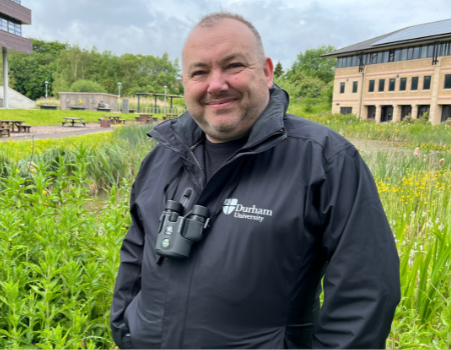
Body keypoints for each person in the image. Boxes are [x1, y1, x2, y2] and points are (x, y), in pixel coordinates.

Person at [109, 11, 401, 349]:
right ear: (185, 83)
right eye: (199, 72)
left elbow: (365, 288)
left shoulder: (324, 159)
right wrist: (126, 330)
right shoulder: (163, 155)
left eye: (233, 66)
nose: (216, 84)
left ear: (266, 72)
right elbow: (136, 251)